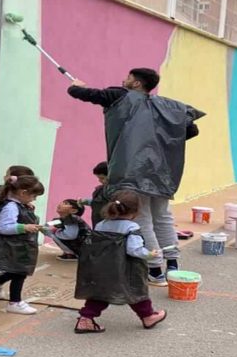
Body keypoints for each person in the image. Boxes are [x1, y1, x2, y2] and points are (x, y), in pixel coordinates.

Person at [67, 68, 205, 286]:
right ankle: (172, 266)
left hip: (133, 170)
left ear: (137, 83)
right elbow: (191, 130)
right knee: (163, 217)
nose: (125, 79)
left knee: (143, 219)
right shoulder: (169, 107)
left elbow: (88, 95)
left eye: (129, 77)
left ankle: (155, 270)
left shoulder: (120, 96)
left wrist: (76, 86)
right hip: (162, 172)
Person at [74, 190, 166, 333]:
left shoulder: (101, 224)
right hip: (126, 269)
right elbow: (133, 249)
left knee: (100, 293)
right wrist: (149, 254)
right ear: (135, 211)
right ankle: (148, 316)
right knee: (136, 292)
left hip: (102, 267)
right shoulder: (131, 227)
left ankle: (85, 318)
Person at [0, 175, 45, 315]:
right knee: (19, 272)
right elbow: (3, 227)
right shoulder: (11, 207)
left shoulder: (17, 204)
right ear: (23, 193)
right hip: (13, 247)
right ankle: (15, 302)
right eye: (34, 196)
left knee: (18, 271)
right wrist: (24, 227)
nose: (34, 199)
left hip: (19, 247)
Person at [79, 161, 111, 228]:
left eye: (102, 178)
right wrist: (87, 201)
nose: (99, 181)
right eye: (98, 178)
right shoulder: (100, 189)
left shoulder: (115, 192)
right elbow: (100, 202)